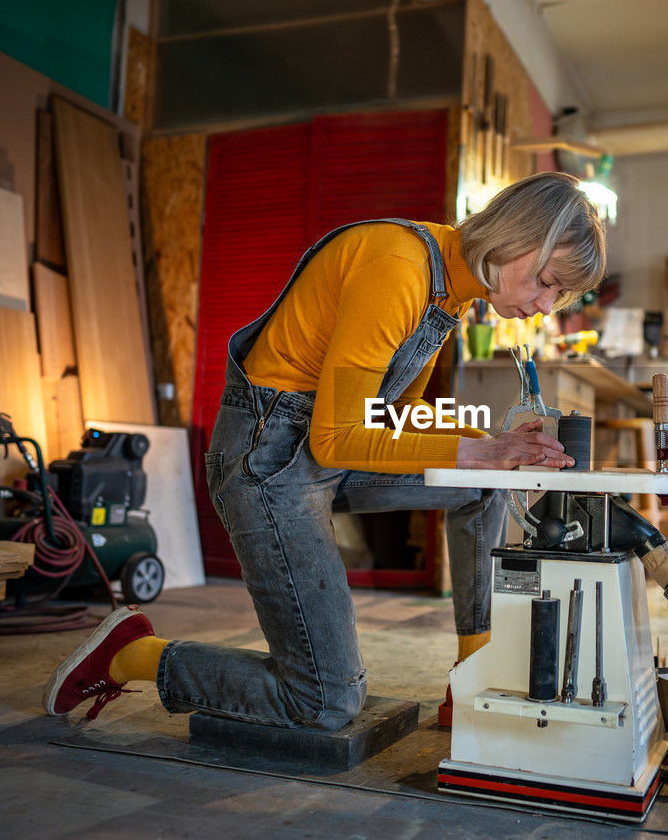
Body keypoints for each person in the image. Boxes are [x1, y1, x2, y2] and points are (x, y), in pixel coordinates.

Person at [43, 173, 607, 729]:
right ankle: (130, 654)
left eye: (558, 295)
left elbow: (389, 417)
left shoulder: (450, 293)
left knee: (487, 482)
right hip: (268, 457)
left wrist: (493, 443)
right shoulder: (401, 269)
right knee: (325, 701)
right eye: (549, 282)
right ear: (518, 240)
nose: (546, 306)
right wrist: (478, 448)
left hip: (321, 446)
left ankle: (470, 671)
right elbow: (336, 436)